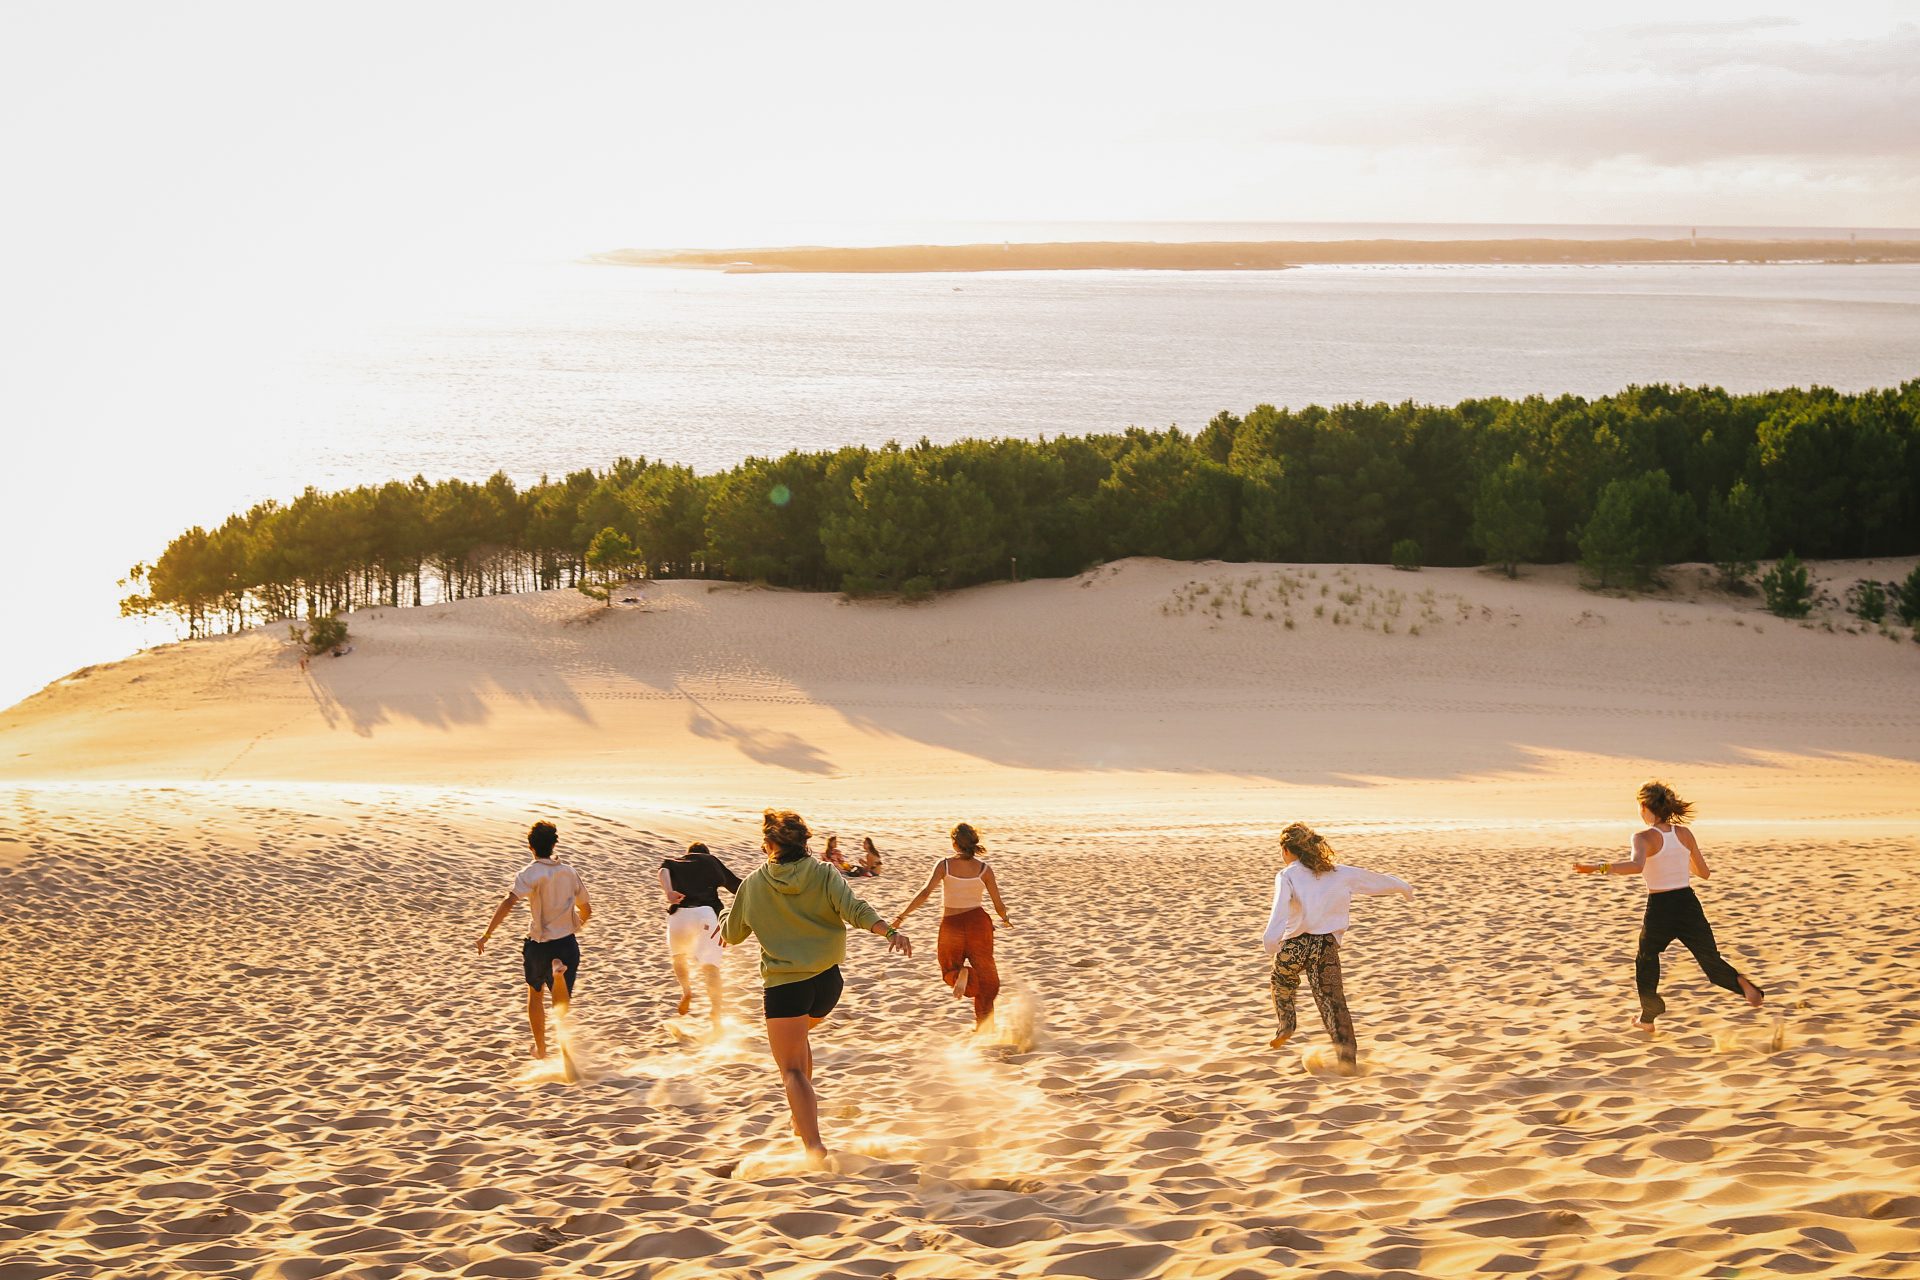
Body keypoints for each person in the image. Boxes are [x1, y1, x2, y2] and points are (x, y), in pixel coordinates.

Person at [719, 808, 912, 1160]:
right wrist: (890, 931)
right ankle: (800, 1119)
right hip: (827, 984)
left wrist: (722, 914)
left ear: (767, 844)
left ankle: (814, 1147)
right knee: (799, 1040)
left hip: (786, 988)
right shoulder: (824, 872)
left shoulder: (753, 885)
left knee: (790, 1069)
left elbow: (732, 934)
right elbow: (855, 909)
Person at [1575, 781, 1764, 1030]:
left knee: (1647, 957)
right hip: (1688, 903)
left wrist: (1598, 868)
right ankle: (1742, 984)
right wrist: (1677, 860)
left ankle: (1648, 1016)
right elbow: (1704, 873)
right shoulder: (1684, 834)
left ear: (1644, 807)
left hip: (1661, 907)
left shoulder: (1643, 837)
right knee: (1710, 960)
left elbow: (1636, 866)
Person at [1260, 823, 1412, 1069]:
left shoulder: (1287, 875)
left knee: (1282, 980)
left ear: (1287, 850)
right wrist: (1403, 888)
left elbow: (1279, 911)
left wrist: (1271, 944)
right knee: (1333, 1004)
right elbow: (1376, 881)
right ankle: (1347, 1062)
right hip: (1326, 947)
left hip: (1295, 946)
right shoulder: (1339, 872)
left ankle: (1286, 1024)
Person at [477, 820, 592, 1061]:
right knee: (562, 1003)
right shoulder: (569, 872)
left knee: (535, 994)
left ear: (531, 847)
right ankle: (564, 1047)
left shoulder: (529, 873)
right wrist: (577, 924)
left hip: (539, 945)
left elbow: (508, 903)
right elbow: (587, 909)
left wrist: (487, 934)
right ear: (554, 844)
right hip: (567, 943)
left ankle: (541, 1049)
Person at [891, 822, 1011, 1029]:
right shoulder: (984, 869)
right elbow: (998, 903)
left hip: (952, 925)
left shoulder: (944, 865)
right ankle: (985, 1028)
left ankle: (961, 973)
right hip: (978, 924)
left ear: (955, 844)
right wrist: (1005, 918)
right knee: (988, 979)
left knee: (949, 970)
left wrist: (902, 916)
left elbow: (925, 893)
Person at [659, 841, 742, 1028]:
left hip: (679, 916)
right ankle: (716, 1013)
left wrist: (669, 892)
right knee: (710, 967)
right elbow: (738, 887)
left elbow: (662, 872)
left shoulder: (674, 862)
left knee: (678, 957)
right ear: (706, 854)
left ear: (688, 854)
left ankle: (686, 990)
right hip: (706, 915)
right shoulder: (710, 861)